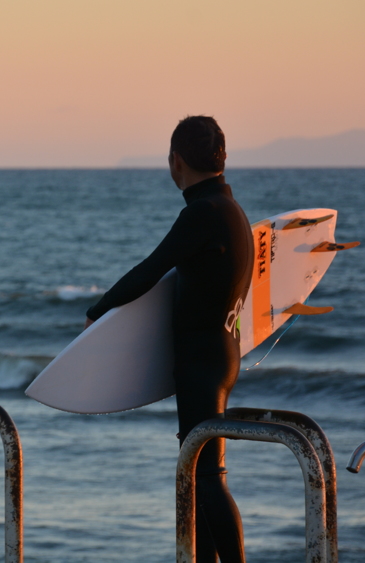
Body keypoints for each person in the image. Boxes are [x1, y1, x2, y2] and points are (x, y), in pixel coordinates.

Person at [84, 116, 252, 563]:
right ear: (224, 158)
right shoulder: (232, 212)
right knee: (199, 474)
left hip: (202, 362)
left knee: (207, 476)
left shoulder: (203, 213)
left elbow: (150, 269)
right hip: (222, 353)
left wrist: (97, 313)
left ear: (175, 161)